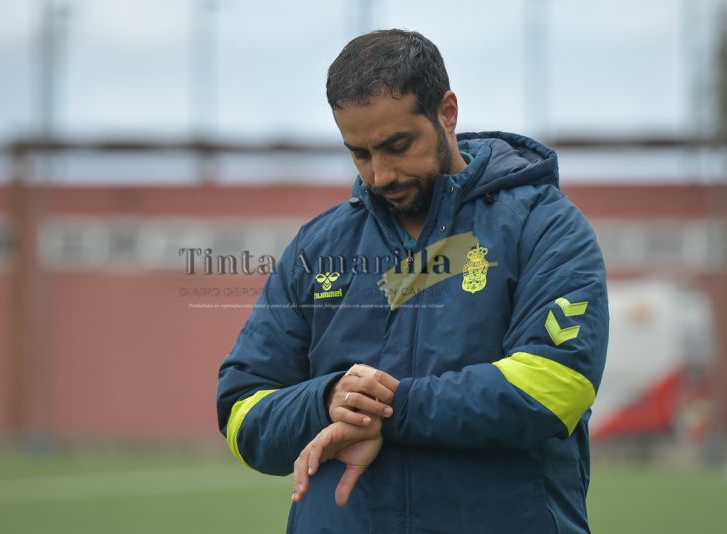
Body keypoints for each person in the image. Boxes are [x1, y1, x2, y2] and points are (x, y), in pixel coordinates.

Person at [217, 29, 608, 534]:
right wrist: (328, 398)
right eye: (359, 153)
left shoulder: (544, 225)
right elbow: (241, 412)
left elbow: (555, 386)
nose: (380, 175)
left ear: (447, 112)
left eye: (397, 145)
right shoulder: (319, 248)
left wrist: (389, 409)